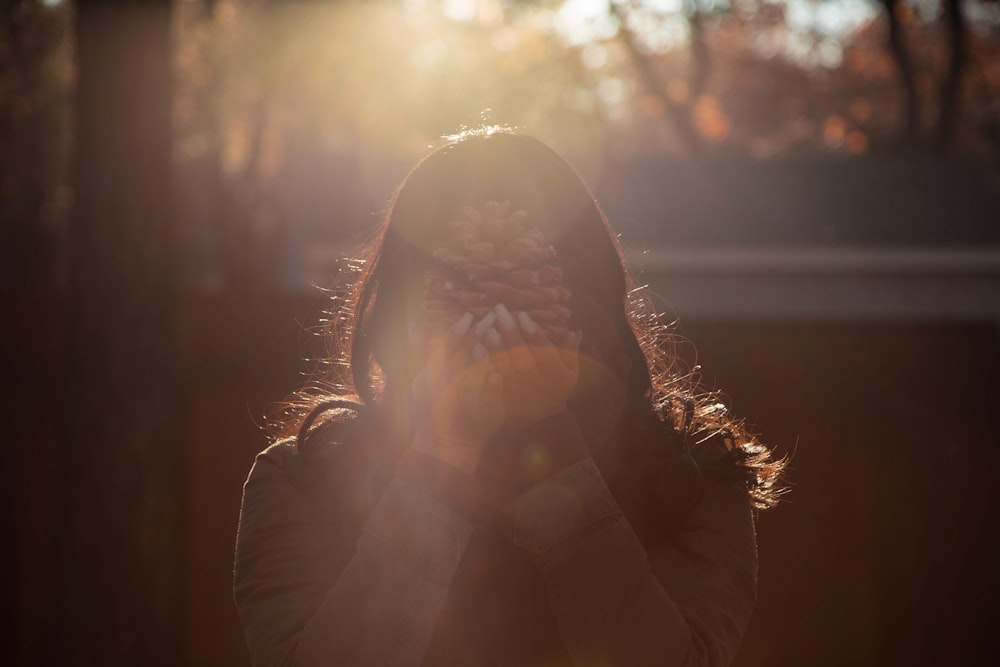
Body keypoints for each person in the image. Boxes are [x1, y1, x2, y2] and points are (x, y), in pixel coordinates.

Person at [233, 128, 784, 667]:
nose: (490, 327)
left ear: (590, 300)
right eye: (458, 288)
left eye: (529, 284)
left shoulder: (693, 478)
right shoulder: (304, 479)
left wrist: (556, 449)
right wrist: (436, 462)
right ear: (402, 316)